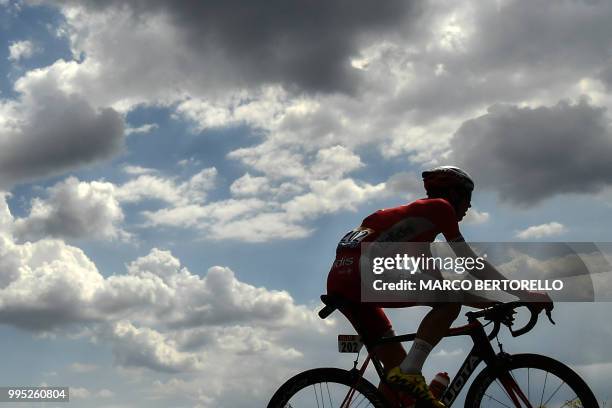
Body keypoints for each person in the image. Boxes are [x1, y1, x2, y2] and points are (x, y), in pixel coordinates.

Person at [326, 166, 553, 408]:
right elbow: (470, 263)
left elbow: (438, 285)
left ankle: (405, 377)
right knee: (417, 354)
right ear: (454, 195)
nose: (469, 207)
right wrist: (524, 294)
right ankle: (411, 371)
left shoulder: (417, 225)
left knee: (397, 380)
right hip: (362, 275)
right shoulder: (440, 208)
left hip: (341, 281)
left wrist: (488, 302)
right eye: (468, 199)